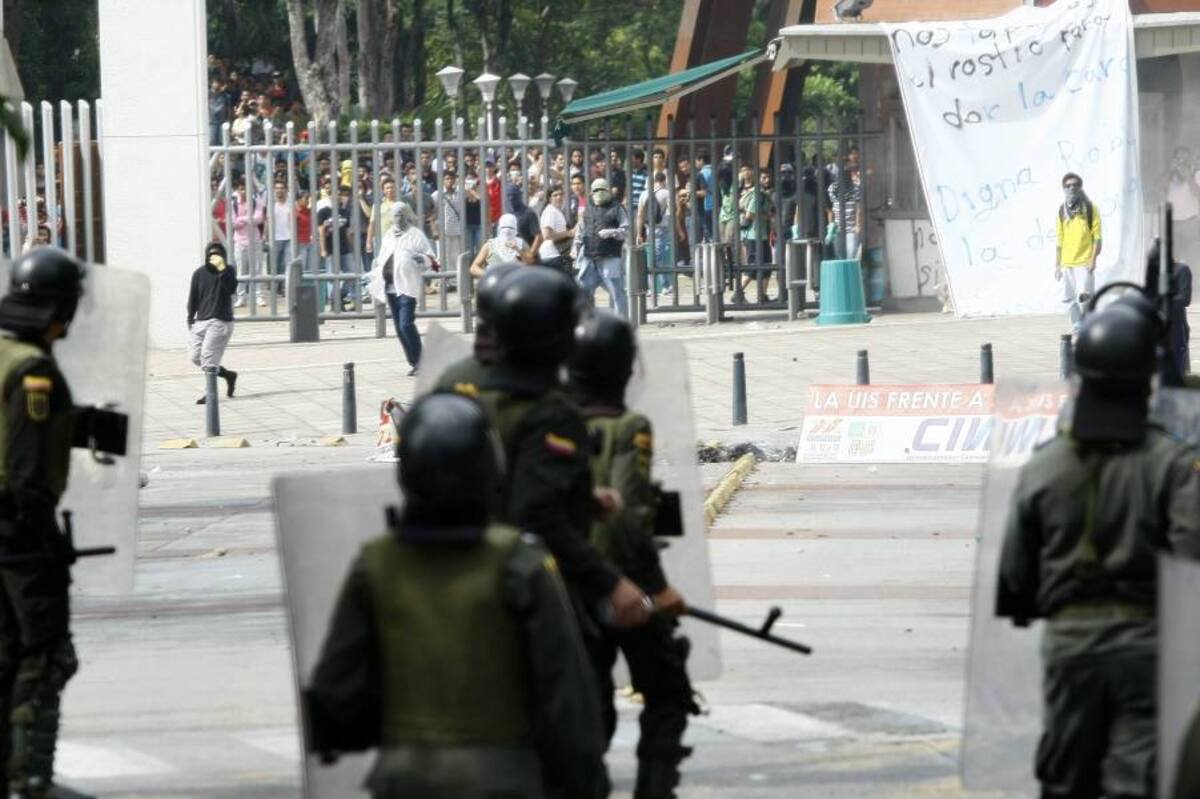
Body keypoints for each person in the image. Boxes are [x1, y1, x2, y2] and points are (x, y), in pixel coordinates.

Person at [306, 392, 606, 798]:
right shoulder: (518, 563)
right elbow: (566, 694)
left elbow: (335, 689)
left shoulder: (375, 566)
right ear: (487, 471)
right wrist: (583, 780)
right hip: (503, 780)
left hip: (406, 779)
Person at [440, 267, 653, 798]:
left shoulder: (456, 390)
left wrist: (581, 495)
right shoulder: (549, 410)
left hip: (454, 581)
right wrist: (611, 581)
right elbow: (537, 517)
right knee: (580, 732)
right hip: (531, 591)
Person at [997, 292, 1200, 799]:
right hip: (1146, 638)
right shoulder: (1172, 465)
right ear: (1146, 380)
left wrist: (1026, 601)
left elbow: (1017, 572)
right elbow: (1190, 553)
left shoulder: (1044, 467)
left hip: (1071, 641)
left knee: (1067, 771)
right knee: (1142, 771)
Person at [568, 310, 699, 799]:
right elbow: (624, 517)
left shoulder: (550, 424)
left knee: (587, 701)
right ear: (624, 370)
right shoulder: (629, 428)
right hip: (623, 586)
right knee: (667, 692)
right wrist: (659, 588)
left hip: (567, 588)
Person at [0, 248, 88, 796]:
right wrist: (45, 547)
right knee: (45, 653)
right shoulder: (34, 371)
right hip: (17, 533)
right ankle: (28, 776)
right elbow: (26, 473)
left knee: (6, 653)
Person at [370, 204, 435, 377]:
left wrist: (421, 258)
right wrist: (376, 270)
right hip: (390, 287)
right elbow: (382, 257)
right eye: (395, 215)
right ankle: (415, 362)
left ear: (407, 215)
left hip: (407, 286)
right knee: (399, 328)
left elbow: (431, 258)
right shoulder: (389, 235)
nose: (397, 218)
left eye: (400, 215)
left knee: (406, 324)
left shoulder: (416, 235)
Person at [187, 242, 239, 404]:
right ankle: (228, 375)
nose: (214, 258)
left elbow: (231, 289)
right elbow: (193, 297)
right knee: (196, 357)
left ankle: (210, 394)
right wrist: (190, 317)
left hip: (220, 321)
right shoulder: (199, 273)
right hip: (201, 320)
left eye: (218, 255)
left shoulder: (228, 271)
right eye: (211, 255)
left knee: (208, 359)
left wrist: (222, 270)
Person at [573, 179, 629, 318]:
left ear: (608, 190)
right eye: (595, 190)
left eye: (602, 189)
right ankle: (585, 321)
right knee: (583, 292)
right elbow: (580, 230)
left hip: (610, 257)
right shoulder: (588, 208)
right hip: (589, 258)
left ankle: (621, 323)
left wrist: (612, 232)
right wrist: (575, 247)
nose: (599, 193)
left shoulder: (617, 208)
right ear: (591, 192)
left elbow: (626, 231)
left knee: (617, 293)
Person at [1055, 172, 1102, 333]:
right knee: (1068, 298)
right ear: (1063, 189)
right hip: (1067, 263)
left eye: (1075, 185)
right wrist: (1057, 265)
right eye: (1068, 186)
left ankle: (1089, 322)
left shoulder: (1089, 209)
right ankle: (1077, 325)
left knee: (1085, 297)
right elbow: (1059, 241)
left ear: (1080, 187)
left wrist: (1093, 260)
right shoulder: (1062, 211)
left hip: (1084, 262)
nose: (1071, 188)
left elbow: (1097, 237)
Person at [637, 171, 672, 295]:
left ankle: (664, 285)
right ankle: (657, 287)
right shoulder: (667, 193)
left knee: (655, 257)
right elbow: (672, 211)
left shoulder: (644, 194)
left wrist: (638, 234)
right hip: (662, 228)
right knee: (657, 258)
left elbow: (640, 215)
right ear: (663, 181)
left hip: (648, 229)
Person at [469, 214, 534, 278]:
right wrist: (488, 275)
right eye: (504, 227)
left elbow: (531, 262)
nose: (507, 231)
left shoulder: (521, 244)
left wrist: (518, 250)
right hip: (495, 285)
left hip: (515, 284)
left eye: (511, 228)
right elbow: (473, 268)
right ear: (499, 229)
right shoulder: (490, 245)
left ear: (516, 229)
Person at [431, 169, 464, 275]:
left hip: (456, 229)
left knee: (455, 255)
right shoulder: (436, 195)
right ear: (443, 181)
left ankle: (455, 279)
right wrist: (435, 230)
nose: (450, 181)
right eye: (447, 179)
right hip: (442, 230)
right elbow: (432, 213)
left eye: (452, 178)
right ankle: (442, 279)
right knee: (441, 256)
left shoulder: (459, 194)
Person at [537, 185, 574, 275]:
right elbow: (547, 235)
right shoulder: (550, 211)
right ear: (549, 198)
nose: (559, 197)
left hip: (556, 254)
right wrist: (568, 233)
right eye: (555, 195)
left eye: (561, 194)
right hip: (552, 255)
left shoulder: (556, 211)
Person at [268, 180, 293, 296]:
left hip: (289, 237)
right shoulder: (271, 205)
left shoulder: (290, 204)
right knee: (275, 264)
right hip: (275, 238)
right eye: (277, 188)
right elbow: (267, 221)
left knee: (286, 264)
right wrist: (266, 236)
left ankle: (285, 287)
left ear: (286, 190)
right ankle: (275, 286)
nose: (279, 190)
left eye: (282, 188)